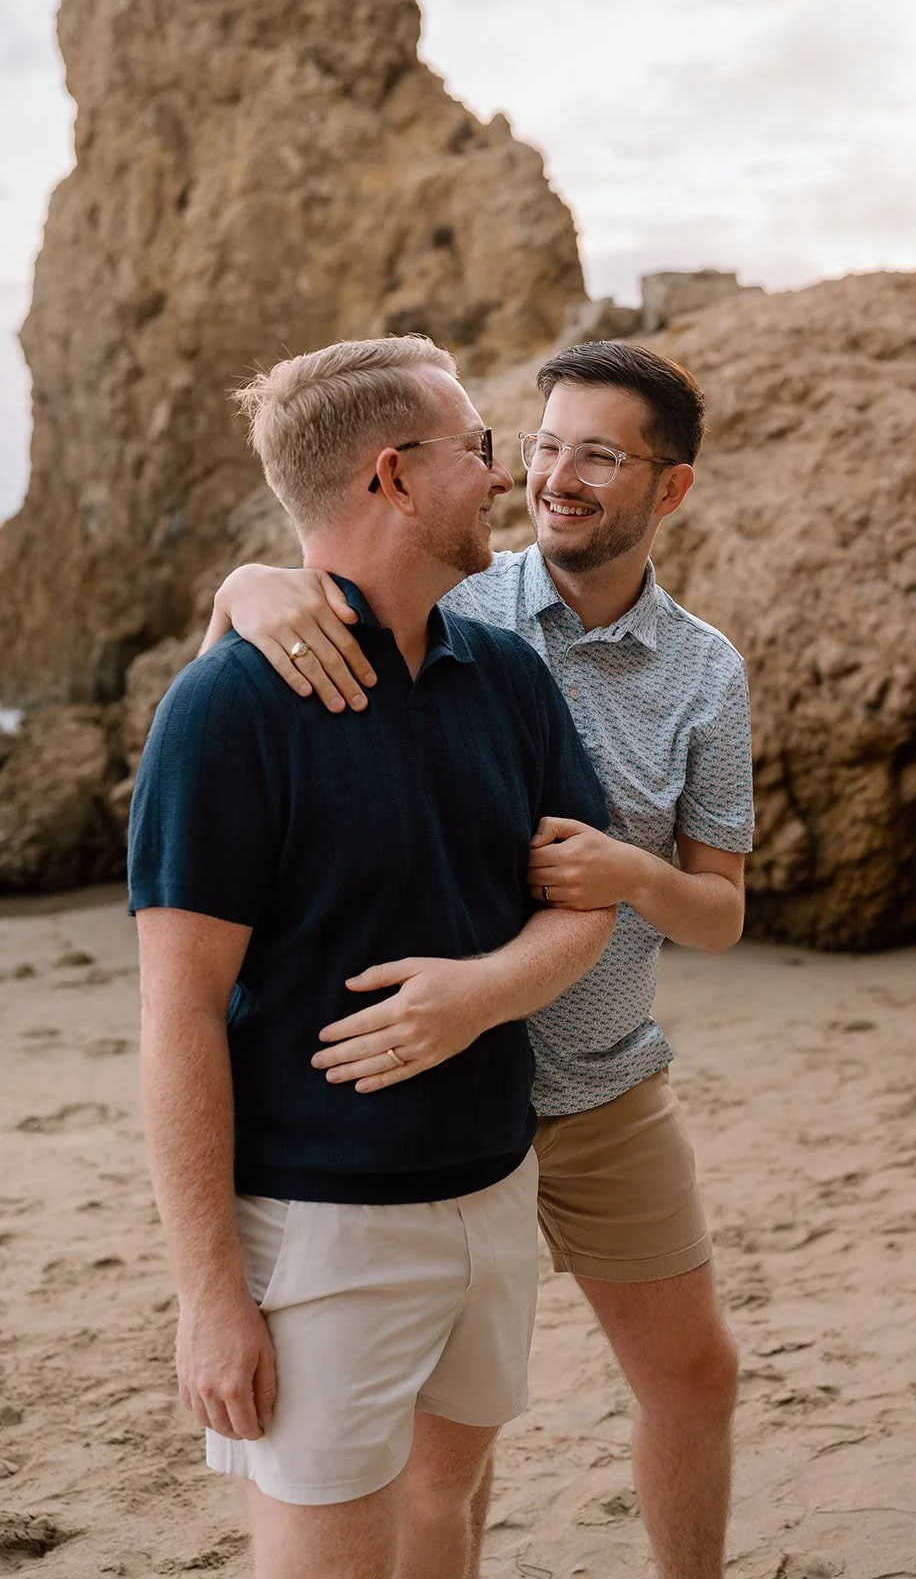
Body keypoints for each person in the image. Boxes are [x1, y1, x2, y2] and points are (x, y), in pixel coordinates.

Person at [205, 339, 755, 1579]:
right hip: (438, 1095)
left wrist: (632, 877)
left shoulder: (705, 673)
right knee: (449, 1452)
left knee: (695, 1373)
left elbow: (718, 912)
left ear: (669, 487)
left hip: (602, 1085)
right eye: (543, 444)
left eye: (598, 456)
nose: (553, 476)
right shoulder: (456, 592)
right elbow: (306, 596)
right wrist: (246, 584)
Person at [129, 334, 616, 1579]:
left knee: (446, 1516)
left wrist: (481, 994)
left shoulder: (505, 676)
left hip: (495, 1191)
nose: (501, 475)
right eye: (479, 447)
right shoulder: (227, 708)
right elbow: (178, 1014)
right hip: (318, 1232)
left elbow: (588, 901)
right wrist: (210, 1296)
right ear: (392, 477)